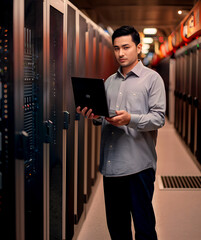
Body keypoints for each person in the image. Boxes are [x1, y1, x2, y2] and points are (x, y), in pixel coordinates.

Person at [76, 25, 166, 240]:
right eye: (116, 48)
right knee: (117, 229)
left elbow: (158, 118)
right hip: (111, 166)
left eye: (126, 47)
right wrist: (94, 116)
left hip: (139, 168)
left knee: (144, 228)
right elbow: (104, 117)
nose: (121, 53)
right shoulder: (109, 82)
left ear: (138, 47)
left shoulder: (152, 80)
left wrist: (130, 119)